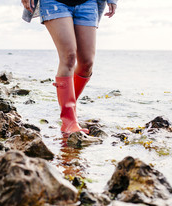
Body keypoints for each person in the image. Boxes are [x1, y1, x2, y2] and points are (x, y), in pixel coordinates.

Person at [22, 0, 117, 135]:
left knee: (87, 63)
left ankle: (69, 106)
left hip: (88, 3)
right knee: (68, 56)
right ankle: (68, 121)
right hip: (54, 3)